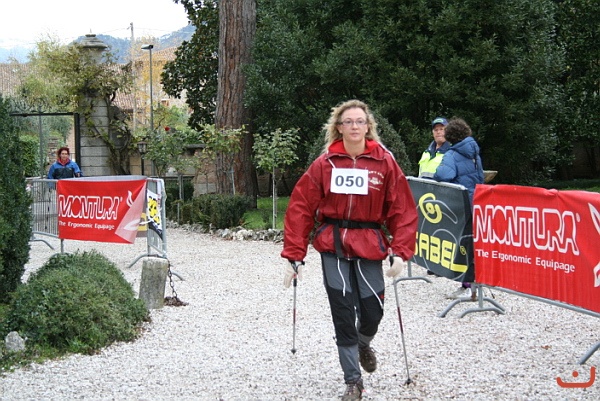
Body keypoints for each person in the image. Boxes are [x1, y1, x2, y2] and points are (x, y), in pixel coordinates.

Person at [281, 99, 418, 400]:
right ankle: (353, 381)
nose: (354, 126)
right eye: (348, 122)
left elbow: (402, 209)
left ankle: (363, 343)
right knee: (342, 312)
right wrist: (294, 254)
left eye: (359, 121)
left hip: (369, 242)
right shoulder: (325, 164)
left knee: (373, 310)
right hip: (333, 244)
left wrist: (401, 250)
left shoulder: (385, 162)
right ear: (339, 127)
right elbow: (301, 207)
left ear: (368, 127)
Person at [433, 118, 484, 300]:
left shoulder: (452, 154)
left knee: (463, 245)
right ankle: (474, 284)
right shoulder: (474, 152)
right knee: (473, 244)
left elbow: (442, 175)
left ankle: (467, 285)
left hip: (460, 206)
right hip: (476, 201)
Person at [419, 117, 450, 276]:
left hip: (442, 198)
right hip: (426, 198)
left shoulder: (451, 152)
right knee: (430, 232)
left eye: (442, 129)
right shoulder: (427, 151)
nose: (438, 132)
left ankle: (442, 266)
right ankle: (432, 265)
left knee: (443, 232)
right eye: (436, 129)